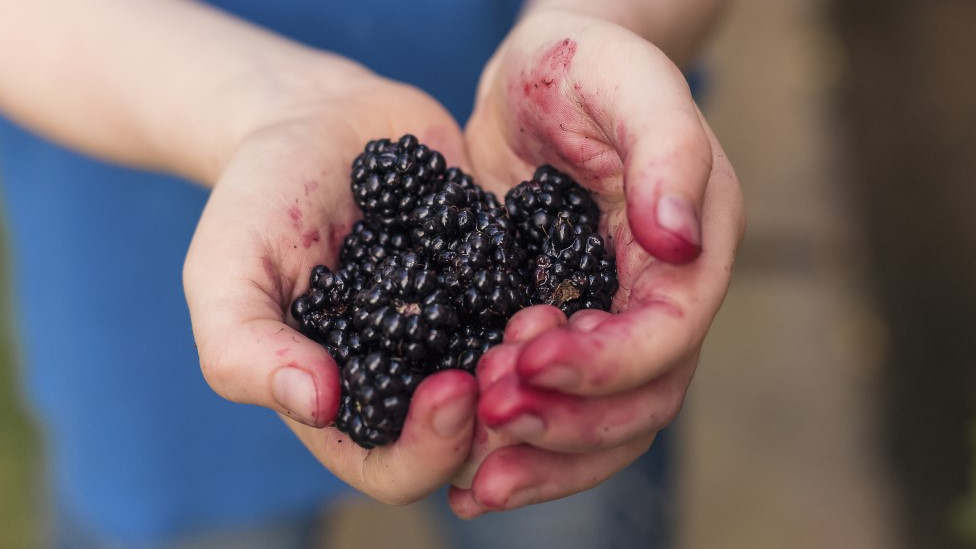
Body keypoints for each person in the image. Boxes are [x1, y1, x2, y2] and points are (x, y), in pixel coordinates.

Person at [0, 0, 744, 547]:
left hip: (555, 376)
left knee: (561, 500)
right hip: (135, 308)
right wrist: (267, 107)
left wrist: (612, 22)